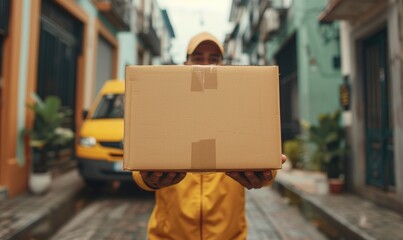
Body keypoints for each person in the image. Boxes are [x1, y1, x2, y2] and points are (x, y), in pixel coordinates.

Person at [132, 32, 287, 240]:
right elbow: (140, 161)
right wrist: (148, 179)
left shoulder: (240, 107)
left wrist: (267, 174)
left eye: (213, 59)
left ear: (223, 66)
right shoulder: (168, 107)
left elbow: (263, 152)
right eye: (198, 58)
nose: (206, 66)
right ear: (185, 64)